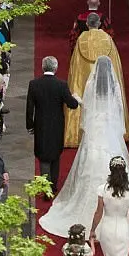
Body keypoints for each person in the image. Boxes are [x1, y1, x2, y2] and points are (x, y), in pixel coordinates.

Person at [40, 57, 129, 239]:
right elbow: (118, 108)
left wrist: (80, 103)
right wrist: (118, 130)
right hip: (109, 130)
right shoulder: (114, 87)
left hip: (95, 130)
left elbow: (86, 109)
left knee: (90, 164)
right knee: (113, 160)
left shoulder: (91, 85)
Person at [63, 27, 129, 147]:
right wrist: (121, 127)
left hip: (95, 123)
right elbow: (119, 104)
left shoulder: (90, 84)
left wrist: (78, 100)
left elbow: (86, 105)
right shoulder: (113, 85)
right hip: (110, 122)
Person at [25, 56, 80, 193]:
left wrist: (30, 125)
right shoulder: (61, 85)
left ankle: (45, 188)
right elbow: (72, 105)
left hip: (40, 126)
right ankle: (53, 187)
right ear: (55, 68)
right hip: (57, 126)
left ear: (43, 67)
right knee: (55, 155)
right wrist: (76, 99)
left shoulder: (34, 84)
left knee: (43, 156)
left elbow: (29, 107)